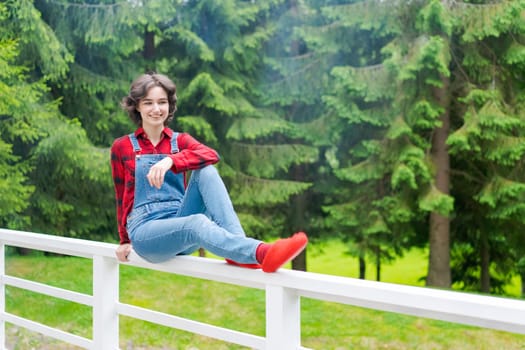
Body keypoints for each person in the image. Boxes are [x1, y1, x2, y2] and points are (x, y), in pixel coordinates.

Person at [111, 72, 308, 272]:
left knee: (206, 170)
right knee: (197, 222)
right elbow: (121, 197)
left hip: (180, 220)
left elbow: (210, 154)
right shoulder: (122, 147)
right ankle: (261, 252)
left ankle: (238, 249)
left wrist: (171, 160)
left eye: (162, 102)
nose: (156, 109)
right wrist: (124, 240)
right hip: (147, 231)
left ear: (169, 105)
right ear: (137, 106)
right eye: (148, 103)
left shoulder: (180, 141)